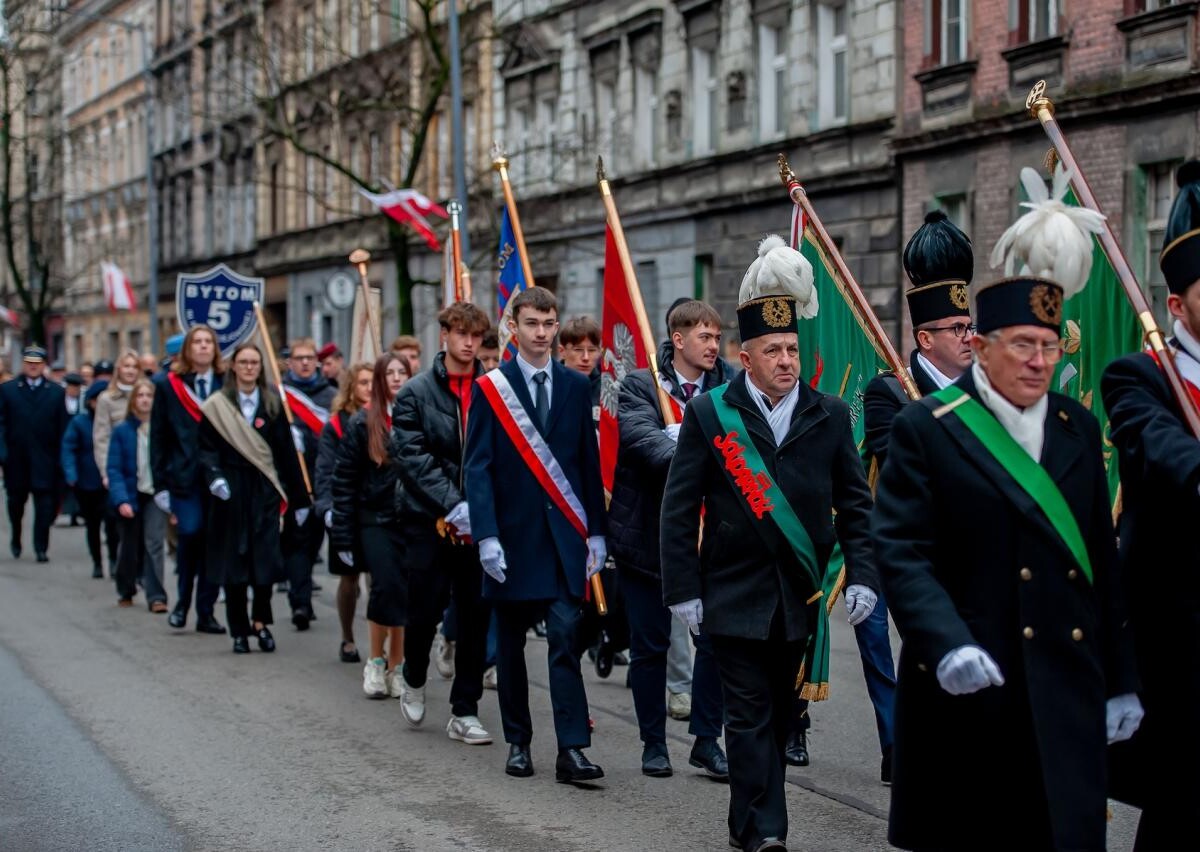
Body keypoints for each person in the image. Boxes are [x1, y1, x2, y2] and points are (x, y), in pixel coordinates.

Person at [873, 173, 1143, 850]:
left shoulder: (1078, 426)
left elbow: (1101, 567)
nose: (1038, 361)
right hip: (971, 691)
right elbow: (903, 553)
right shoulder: (928, 427)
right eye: (1022, 345)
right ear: (982, 346)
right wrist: (945, 640)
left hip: (1063, 689)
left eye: (1049, 347)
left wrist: (1122, 681)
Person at [660, 236, 879, 852]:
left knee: (781, 721)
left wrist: (863, 574)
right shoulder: (711, 416)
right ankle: (770, 833)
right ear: (745, 354)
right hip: (730, 595)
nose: (786, 360)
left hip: (799, 600)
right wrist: (683, 592)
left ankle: (745, 823)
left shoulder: (831, 415)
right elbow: (678, 510)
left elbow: (855, 506)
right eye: (772, 350)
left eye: (791, 348)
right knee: (748, 718)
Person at [464, 286, 608, 784]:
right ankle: (519, 742)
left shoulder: (573, 385)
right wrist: (485, 535)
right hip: (512, 540)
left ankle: (571, 749)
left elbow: (587, 466)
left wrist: (596, 533)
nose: (542, 333)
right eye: (532, 324)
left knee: (566, 638)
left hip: (564, 539)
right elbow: (477, 468)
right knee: (509, 647)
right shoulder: (491, 388)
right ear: (514, 327)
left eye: (549, 324)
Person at [1101, 158, 1200, 849]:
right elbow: (1163, 451)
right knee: (1179, 807)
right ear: (1174, 305)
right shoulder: (1137, 379)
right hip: (1178, 634)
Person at [610, 298, 733, 779]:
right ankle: (653, 742)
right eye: (704, 336)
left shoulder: (728, 386)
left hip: (709, 537)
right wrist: (683, 446)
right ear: (678, 340)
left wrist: (698, 443)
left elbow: (739, 445)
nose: (713, 346)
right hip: (648, 535)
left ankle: (706, 739)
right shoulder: (642, 385)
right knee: (650, 645)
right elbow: (640, 440)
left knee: (713, 643)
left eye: (717, 337)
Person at [393, 301, 494, 745]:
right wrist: (454, 505)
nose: (469, 343)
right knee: (424, 609)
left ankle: (465, 709)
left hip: (480, 520)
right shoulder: (416, 392)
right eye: (461, 334)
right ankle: (413, 675)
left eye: (476, 336)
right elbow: (412, 457)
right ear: (445, 337)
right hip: (427, 517)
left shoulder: (493, 388)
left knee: (475, 614)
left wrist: (482, 508)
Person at [198, 343, 309, 653]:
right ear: (234, 367)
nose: (248, 367)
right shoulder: (217, 405)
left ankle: (261, 622)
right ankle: (238, 629)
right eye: (243, 362)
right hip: (231, 492)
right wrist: (215, 477)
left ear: (260, 368)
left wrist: (300, 500)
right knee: (234, 563)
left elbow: (288, 456)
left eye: (254, 363)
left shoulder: (273, 405)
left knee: (265, 561)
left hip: (264, 491)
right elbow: (205, 449)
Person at [331, 354, 411, 696]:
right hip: (374, 519)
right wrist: (343, 537)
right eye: (389, 373)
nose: (396, 378)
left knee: (404, 591)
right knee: (385, 585)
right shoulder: (362, 423)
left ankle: (398, 664)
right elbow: (344, 481)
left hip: (410, 518)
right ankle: (376, 662)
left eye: (402, 372)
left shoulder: (416, 416)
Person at [150, 325, 226, 634]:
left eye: (209, 342)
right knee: (191, 534)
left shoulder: (225, 383)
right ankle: (183, 601)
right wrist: (160, 484)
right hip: (183, 477)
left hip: (219, 478)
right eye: (198, 342)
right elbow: (159, 436)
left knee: (213, 542)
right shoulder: (170, 386)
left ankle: (206, 611)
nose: (204, 347)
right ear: (188, 349)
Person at [314, 360, 372, 662]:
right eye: (363, 382)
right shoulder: (336, 425)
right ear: (351, 387)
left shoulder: (389, 418)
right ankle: (348, 637)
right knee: (349, 578)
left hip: (377, 512)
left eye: (374, 382)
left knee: (380, 579)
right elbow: (325, 473)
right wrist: (327, 509)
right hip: (345, 510)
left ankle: (382, 642)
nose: (369, 388)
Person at [280, 337, 336, 630]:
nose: (304, 363)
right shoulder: (279, 395)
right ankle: (300, 601)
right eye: (298, 358)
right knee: (297, 543)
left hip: (324, 479)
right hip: (295, 481)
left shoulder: (330, 395)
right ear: (290, 362)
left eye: (309, 358)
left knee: (314, 542)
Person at [0, 345, 69, 562]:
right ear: (24, 364)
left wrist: (62, 460)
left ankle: (41, 546)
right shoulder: (8, 389)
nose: (33, 367)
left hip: (45, 460)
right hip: (16, 459)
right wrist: (3, 453)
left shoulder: (56, 392)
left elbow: (62, 429)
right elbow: (1, 424)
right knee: (15, 504)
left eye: (37, 363)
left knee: (45, 506)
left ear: (43, 365)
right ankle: (16, 537)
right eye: (29, 363)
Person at [107, 380, 163, 609]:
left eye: (149, 395)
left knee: (154, 543)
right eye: (140, 396)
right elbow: (115, 468)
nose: (145, 400)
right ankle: (126, 588)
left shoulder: (161, 428)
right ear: (133, 401)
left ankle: (156, 596)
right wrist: (121, 499)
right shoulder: (122, 430)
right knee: (129, 546)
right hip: (130, 493)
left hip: (155, 493)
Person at [94, 351, 143, 576]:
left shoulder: (146, 393)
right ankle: (116, 559)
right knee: (117, 520)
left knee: (142, 525)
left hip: (142, 467)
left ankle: (141, 569)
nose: (131, 370)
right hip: (117, 468)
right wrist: (106, 471)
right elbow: (101, 436)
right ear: (119, 370)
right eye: (126, 366)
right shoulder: (107, 398)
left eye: (135, 366)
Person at [62, 382, 108, 578]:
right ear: (91, 402)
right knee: (93, 524)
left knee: (113, 525)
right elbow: (68, 448)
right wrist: (71, 474)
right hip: (87, 482)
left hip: (110, 482)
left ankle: (114, 559)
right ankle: (97, 561)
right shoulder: (80, 423)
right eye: (98, 400)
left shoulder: (114, 421)